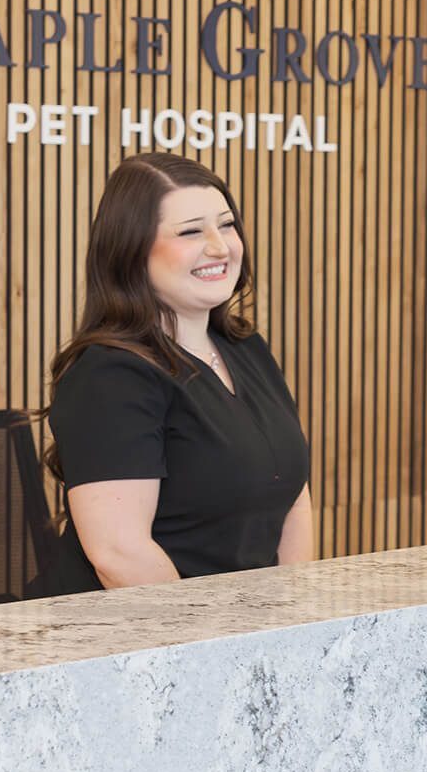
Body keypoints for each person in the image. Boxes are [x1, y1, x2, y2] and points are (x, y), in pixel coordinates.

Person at [31, 153, 312, 596]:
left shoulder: (245, 348)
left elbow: (292, 494)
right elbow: (120, 556)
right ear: (131, 250)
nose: (220, 247)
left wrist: (295, 614)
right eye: (190, 232)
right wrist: (212, 648)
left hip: (243, 632)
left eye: (226, 225)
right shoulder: (110, 376)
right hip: (133, 643)